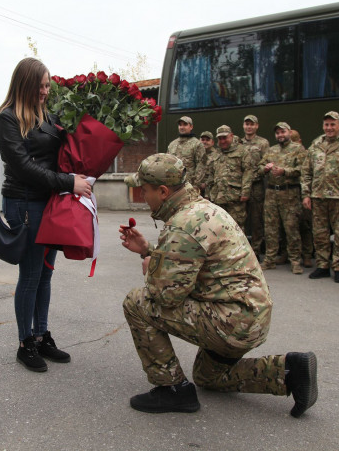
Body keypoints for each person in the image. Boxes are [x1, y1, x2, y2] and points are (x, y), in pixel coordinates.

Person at [119, 153, 318, 416]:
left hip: (232, 322)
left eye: (145, 190)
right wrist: (148, 250)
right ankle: (288, 371)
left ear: (163, 191)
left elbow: (165, 296)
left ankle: (172, 390)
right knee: (207, 377)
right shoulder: (204, 209)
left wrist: (150, 268)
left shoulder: (183, 224)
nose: (143, 196)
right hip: (251, 317)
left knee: (138, 302)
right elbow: (193, 261)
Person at [0, 57, 92, 372]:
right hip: (24, 203)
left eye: (48, 86)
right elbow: (23, 166)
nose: (46, 91)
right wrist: (69, 183)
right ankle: (26, 343)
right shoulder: (6, 119)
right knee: (32, 273)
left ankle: (40, 333)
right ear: (26, 85)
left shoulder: (48, 116)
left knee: (46, 273)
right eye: (41, 86)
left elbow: (67, 149)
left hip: (50, 203)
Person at [301, 112, 339, 284]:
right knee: (320, 234)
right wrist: (306, 194)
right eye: (326, 125)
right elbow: (306, 172)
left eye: (332, 124)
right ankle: (322, 265)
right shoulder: (315, 146)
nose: (329, 128)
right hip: (318, 198)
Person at [257, 122, 306, 274]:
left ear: (289, 133)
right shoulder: (271, 150)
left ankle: (295, 261)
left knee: (291, 228)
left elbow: (303, 170)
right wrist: (264, 169)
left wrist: (285, 171)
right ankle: (270, 259)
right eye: (277, 133)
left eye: (282, 132)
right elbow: (258, 169)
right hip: (271, 193)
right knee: (270, 228)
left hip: (289, 193)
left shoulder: (298, 149)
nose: (280, 135)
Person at [205, 125, 256, 227]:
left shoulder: (242, 151)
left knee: (237, 227)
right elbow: (210, 175)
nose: (222, 141)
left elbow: (248, 172)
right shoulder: (216, 154)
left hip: (235, 198)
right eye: (220, 138)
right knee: (219, 227)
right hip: (218, 198)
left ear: (231, 136)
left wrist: (245, 192)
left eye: (225, 138)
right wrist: (207, 195)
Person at [239, 115, 270, 257]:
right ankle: (243, 249)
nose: (249, 127)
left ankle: (256, 250)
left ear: (256, 126)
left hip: (256, 186)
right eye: (247, 124)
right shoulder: (238, 143)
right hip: (240, 185)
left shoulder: (263, 143)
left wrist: (257, 173)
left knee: (257, 220)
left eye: (252, 124)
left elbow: (265, 162)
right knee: (240, 219)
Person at [290, 129, 314, 268]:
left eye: (294, 141)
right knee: (292, 227)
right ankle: (290, 254)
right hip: (291, 195)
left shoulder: (305, 154)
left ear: (299, 142)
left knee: (305, 226)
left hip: (303, 193)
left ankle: (307, 255)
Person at [167, 116, 205, 188]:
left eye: (185, 124)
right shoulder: (172, 145)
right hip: (173, 186)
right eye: (180, 125)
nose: (182, 127)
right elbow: (167, 164)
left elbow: (201, 166)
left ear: (191, 127)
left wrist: (195, 185)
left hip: (189, 186)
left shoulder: (197, 144)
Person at [198, 131, 217, 198]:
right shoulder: (197, 154)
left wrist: (206, 183)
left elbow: (216, 173)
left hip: (210, 191)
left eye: (207, 140)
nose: (205, 142)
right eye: (202, 140)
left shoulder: (216, 155)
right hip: (197, 190)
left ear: (212, 142)